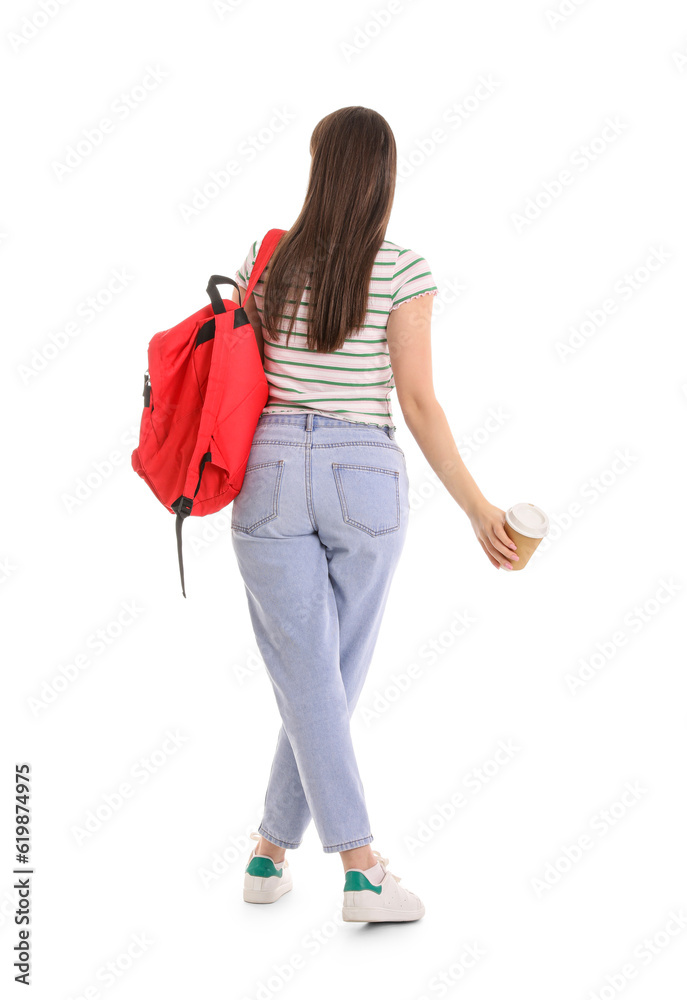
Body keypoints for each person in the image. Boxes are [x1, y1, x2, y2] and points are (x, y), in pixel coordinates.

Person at [230, 106, 519, 924]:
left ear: (319, 168)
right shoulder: (403, 269)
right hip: (364, 474)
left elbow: (242, 375)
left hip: (270, 466)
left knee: (308, 674)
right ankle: (361, 871)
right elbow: (419, 402)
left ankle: (268, 851)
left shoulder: (267, 255)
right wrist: (475, 507)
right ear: (384, 177)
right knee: (324, 674)